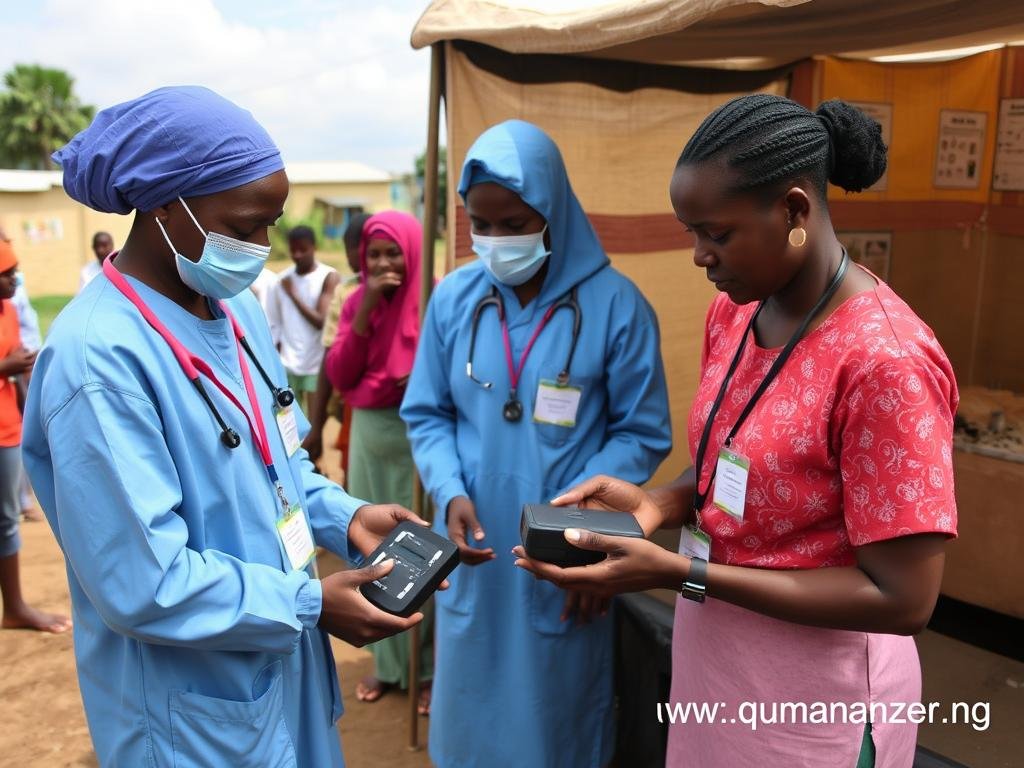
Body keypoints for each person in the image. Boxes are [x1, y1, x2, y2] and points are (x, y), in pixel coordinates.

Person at [514, 96, 958, 768]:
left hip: (814, 707)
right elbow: (742, 463)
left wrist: (684, 571)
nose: (699, 256)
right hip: (716, 666)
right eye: (693, 232)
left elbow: (903, 598)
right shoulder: (737, 312)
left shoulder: (884, 362)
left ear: (794, 211)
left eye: (716, 234)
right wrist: (660, 503)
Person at [26, 86, 428, 767]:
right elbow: (145, 581)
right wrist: (310, 605)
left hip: (281, 675)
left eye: (271, 223)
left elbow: (280, 465)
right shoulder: (98, 359)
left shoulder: (231, 312)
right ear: (161, 204)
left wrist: (344, 517)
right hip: (191, 712)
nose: (261, 246)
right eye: (243, 228)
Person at [401, 120, 672, 768]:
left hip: (565, 550)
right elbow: (428, 414)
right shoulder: (453, 300)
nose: (495, 240)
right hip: (474, 545)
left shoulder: (617, 307)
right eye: (481, 224)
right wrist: (448, 488)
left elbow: (642, 431)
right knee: (469, 720)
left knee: (555, 725)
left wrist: (585, 528)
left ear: (554, 213)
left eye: (514, 222)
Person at [324, 210, 434, 712]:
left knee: (425, 550)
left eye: (394, 252)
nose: (385, 263)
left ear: (412, 251)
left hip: (418, 435)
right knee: (378, 554)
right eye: (374, 255)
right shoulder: (354, 303)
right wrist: (366, 308)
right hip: (370, 433)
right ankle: (388, 667)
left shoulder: (434, 299)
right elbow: (344, 375)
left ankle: (428, 669)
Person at [0, 239, 70, 633]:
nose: (15, 280)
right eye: (7, 275)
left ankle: (14, 607)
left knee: (6, 520)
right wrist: (4, 365)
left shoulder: (9, 310)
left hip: (6, 426)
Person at [302, 212, 370, 470]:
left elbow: (328, 359)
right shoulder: (346, 290)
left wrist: (317, 427)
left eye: (348, 250)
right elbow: (331, 360)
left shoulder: (347, 292)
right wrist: (317, 426)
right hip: (353, 408)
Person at [266, 225, 339, 415]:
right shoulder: (281, 281)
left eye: (303, 249)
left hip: (316, 365)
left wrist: (293, 295)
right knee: (290, 427)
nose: (297, 255)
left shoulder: (328, 276)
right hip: (287, 365)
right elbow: (274, 324)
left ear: (314, 247)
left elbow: (321, 321)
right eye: (293, 250)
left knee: (315, 428)